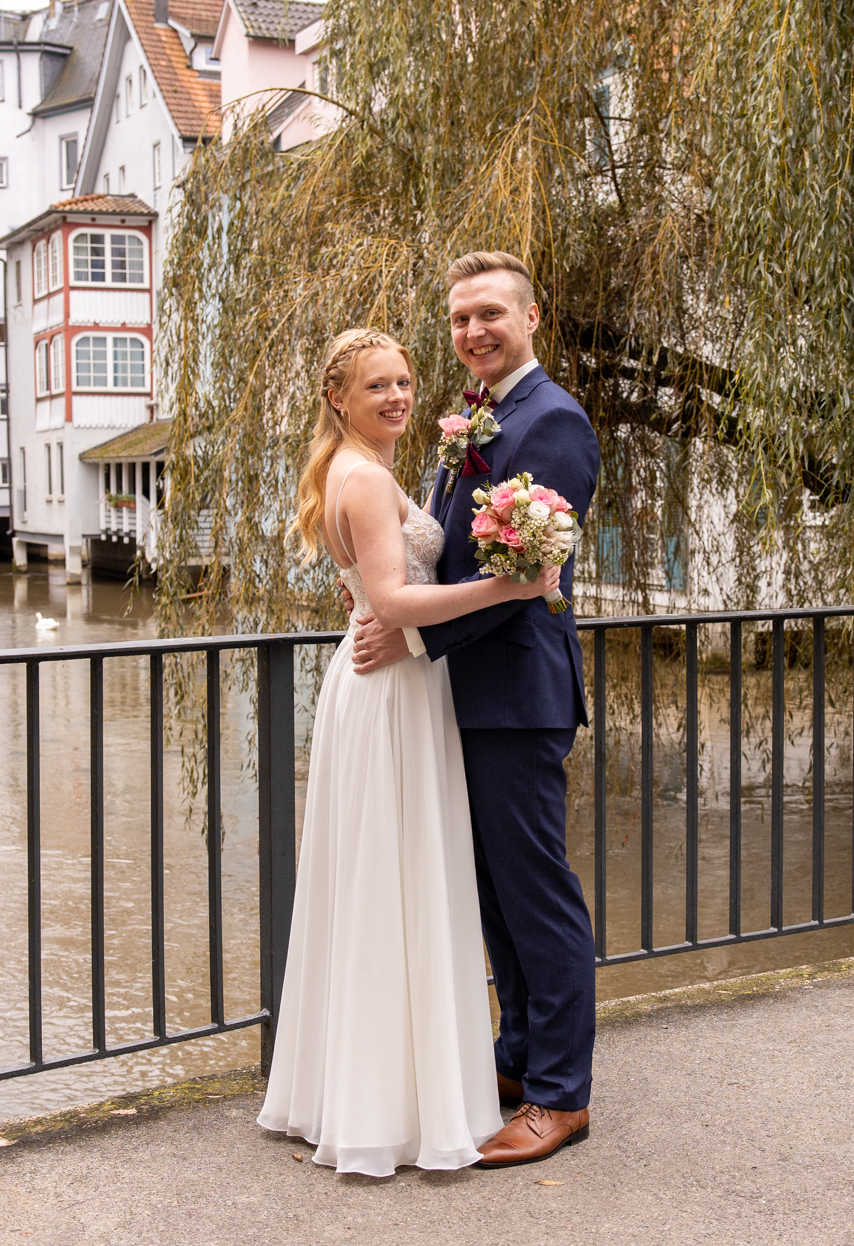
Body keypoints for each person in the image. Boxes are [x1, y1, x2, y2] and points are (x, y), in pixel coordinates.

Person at [256, 327, 562, 1176]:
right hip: (392, 689)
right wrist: (516, 581)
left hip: (398, 684)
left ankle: (379, 1085)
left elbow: (390, 592)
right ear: (339, 400)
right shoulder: (362, 476)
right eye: (376, 385)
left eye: (402, 380)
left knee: (387, 879)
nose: (396, 395)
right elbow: (391, 595)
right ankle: (388, 1101)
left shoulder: (362, 468)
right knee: (394, 880)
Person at [350, 252, 603, 1168]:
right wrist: (388, 595)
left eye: (490, 313)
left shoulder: (555, 421)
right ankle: (519, 1057)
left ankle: (561, 1096)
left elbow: (523, 577)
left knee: (537, 896)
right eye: (459, 319)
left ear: (531, 317)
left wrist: (412, 636)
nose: (473, 332)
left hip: (515, 693)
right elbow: (453, 551)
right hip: (466, 689)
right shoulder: (480, 415)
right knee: (492, 894)